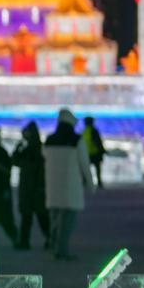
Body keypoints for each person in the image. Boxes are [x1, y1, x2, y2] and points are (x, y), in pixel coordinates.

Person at [43, 108, 94, 261]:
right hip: (71, 188)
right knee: (67, 223)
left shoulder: (49, 140)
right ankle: (61, 251)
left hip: (52, 187)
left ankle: (54, 247)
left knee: (54, 221)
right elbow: (84, 165)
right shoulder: (77, 140)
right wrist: (91, 184)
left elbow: (44, 159)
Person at [12, 121, 50, 250]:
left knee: (32, 216)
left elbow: (16, 162)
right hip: (34, 187)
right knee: (38, 216)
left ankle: (26, 241)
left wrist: (18, 148)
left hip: (31, 187)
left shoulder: (32, 149)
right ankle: (49, 238)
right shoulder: (36, 148)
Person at [82, 116, 107, 189]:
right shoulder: (94, 131)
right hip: (95, 153)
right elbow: (98, 142)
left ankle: (85, 182)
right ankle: (99, 182)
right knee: (98, 169)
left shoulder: (83, 132)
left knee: (86, 169)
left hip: (86, 154)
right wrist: (103, 151)